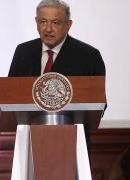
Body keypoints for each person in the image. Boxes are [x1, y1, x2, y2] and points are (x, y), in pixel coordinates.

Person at [8, 0, 106, 155]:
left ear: (68, 24)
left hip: (71, 146)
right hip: (30, 143)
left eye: (55, 23)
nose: (48, 29)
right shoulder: (23, 52)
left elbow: (100, 103)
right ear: (36, 22)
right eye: (43, 22)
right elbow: (10, 98)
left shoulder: (88, 56)